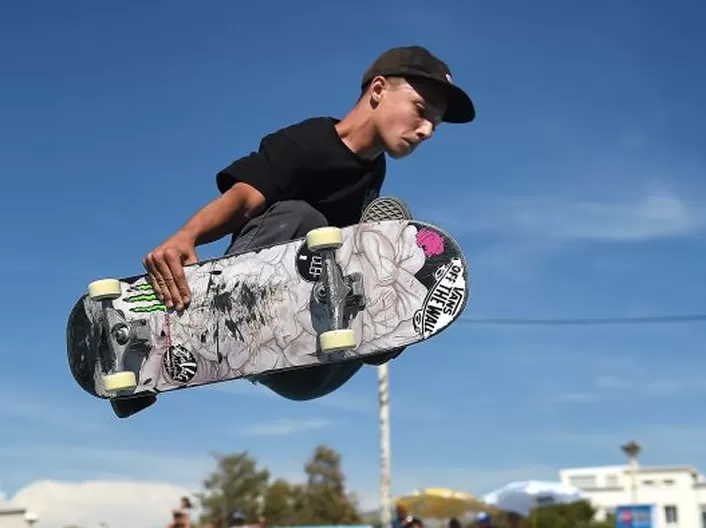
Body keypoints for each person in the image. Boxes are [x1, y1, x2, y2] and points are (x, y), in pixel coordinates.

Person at [112, 45, 475, 418]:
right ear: (378, 90)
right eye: (421, 110)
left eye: (436, 123)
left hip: (306, 370)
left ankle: (369, 327)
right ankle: (168, 346)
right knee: (305, 220)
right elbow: (245, 199)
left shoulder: (374, 174)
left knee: (380, 272)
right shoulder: (310, 141)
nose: (428, 130)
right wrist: (187, 236)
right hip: (247, 295)